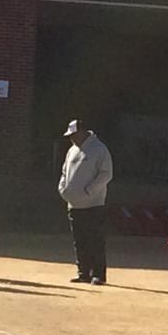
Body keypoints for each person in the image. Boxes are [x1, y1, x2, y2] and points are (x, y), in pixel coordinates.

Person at [58, 119, 113, 285]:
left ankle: (98, 274)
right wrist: (63, 190)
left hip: (93, 205)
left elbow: (106, 174)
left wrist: (89, 191)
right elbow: (64, 173)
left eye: (74, 135)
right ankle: (83, 272)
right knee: (79, 240)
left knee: (95, 240)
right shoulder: (71, 151)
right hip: (74, 205)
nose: (71, 139)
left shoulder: (99, 149)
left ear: (82, 132)